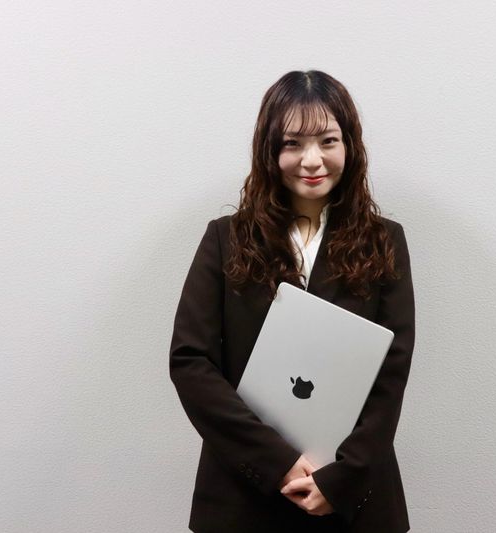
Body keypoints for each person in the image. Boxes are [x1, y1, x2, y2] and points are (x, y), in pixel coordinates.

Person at [169, 70, 415, 533]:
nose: (312, 159)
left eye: (328, 141)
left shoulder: (385, 241)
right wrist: (276, 462)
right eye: (292, 144)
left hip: (353, 498)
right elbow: (190, 362)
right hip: (243, 498)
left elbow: (391, 372)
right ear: (269, 151)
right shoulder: (226, 239)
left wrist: (341, 479)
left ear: (350, 146)